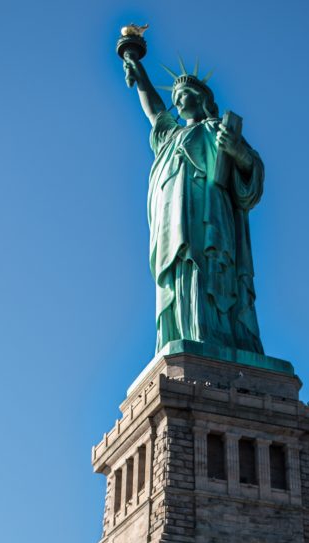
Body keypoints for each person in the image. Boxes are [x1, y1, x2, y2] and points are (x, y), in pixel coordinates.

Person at [122, 55, 265, 356]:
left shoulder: (217, 130)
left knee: (210, 271)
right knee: (182, 272)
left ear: (201, 99)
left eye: (183, 94)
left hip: (211, 218)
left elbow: (251, 175)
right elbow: (155, 112)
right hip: (174, 223)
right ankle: (186, 331)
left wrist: (237, 152)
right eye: (174, 97)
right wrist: (139, 73)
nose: (177, 100)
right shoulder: (170, 137)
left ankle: (219, 336)